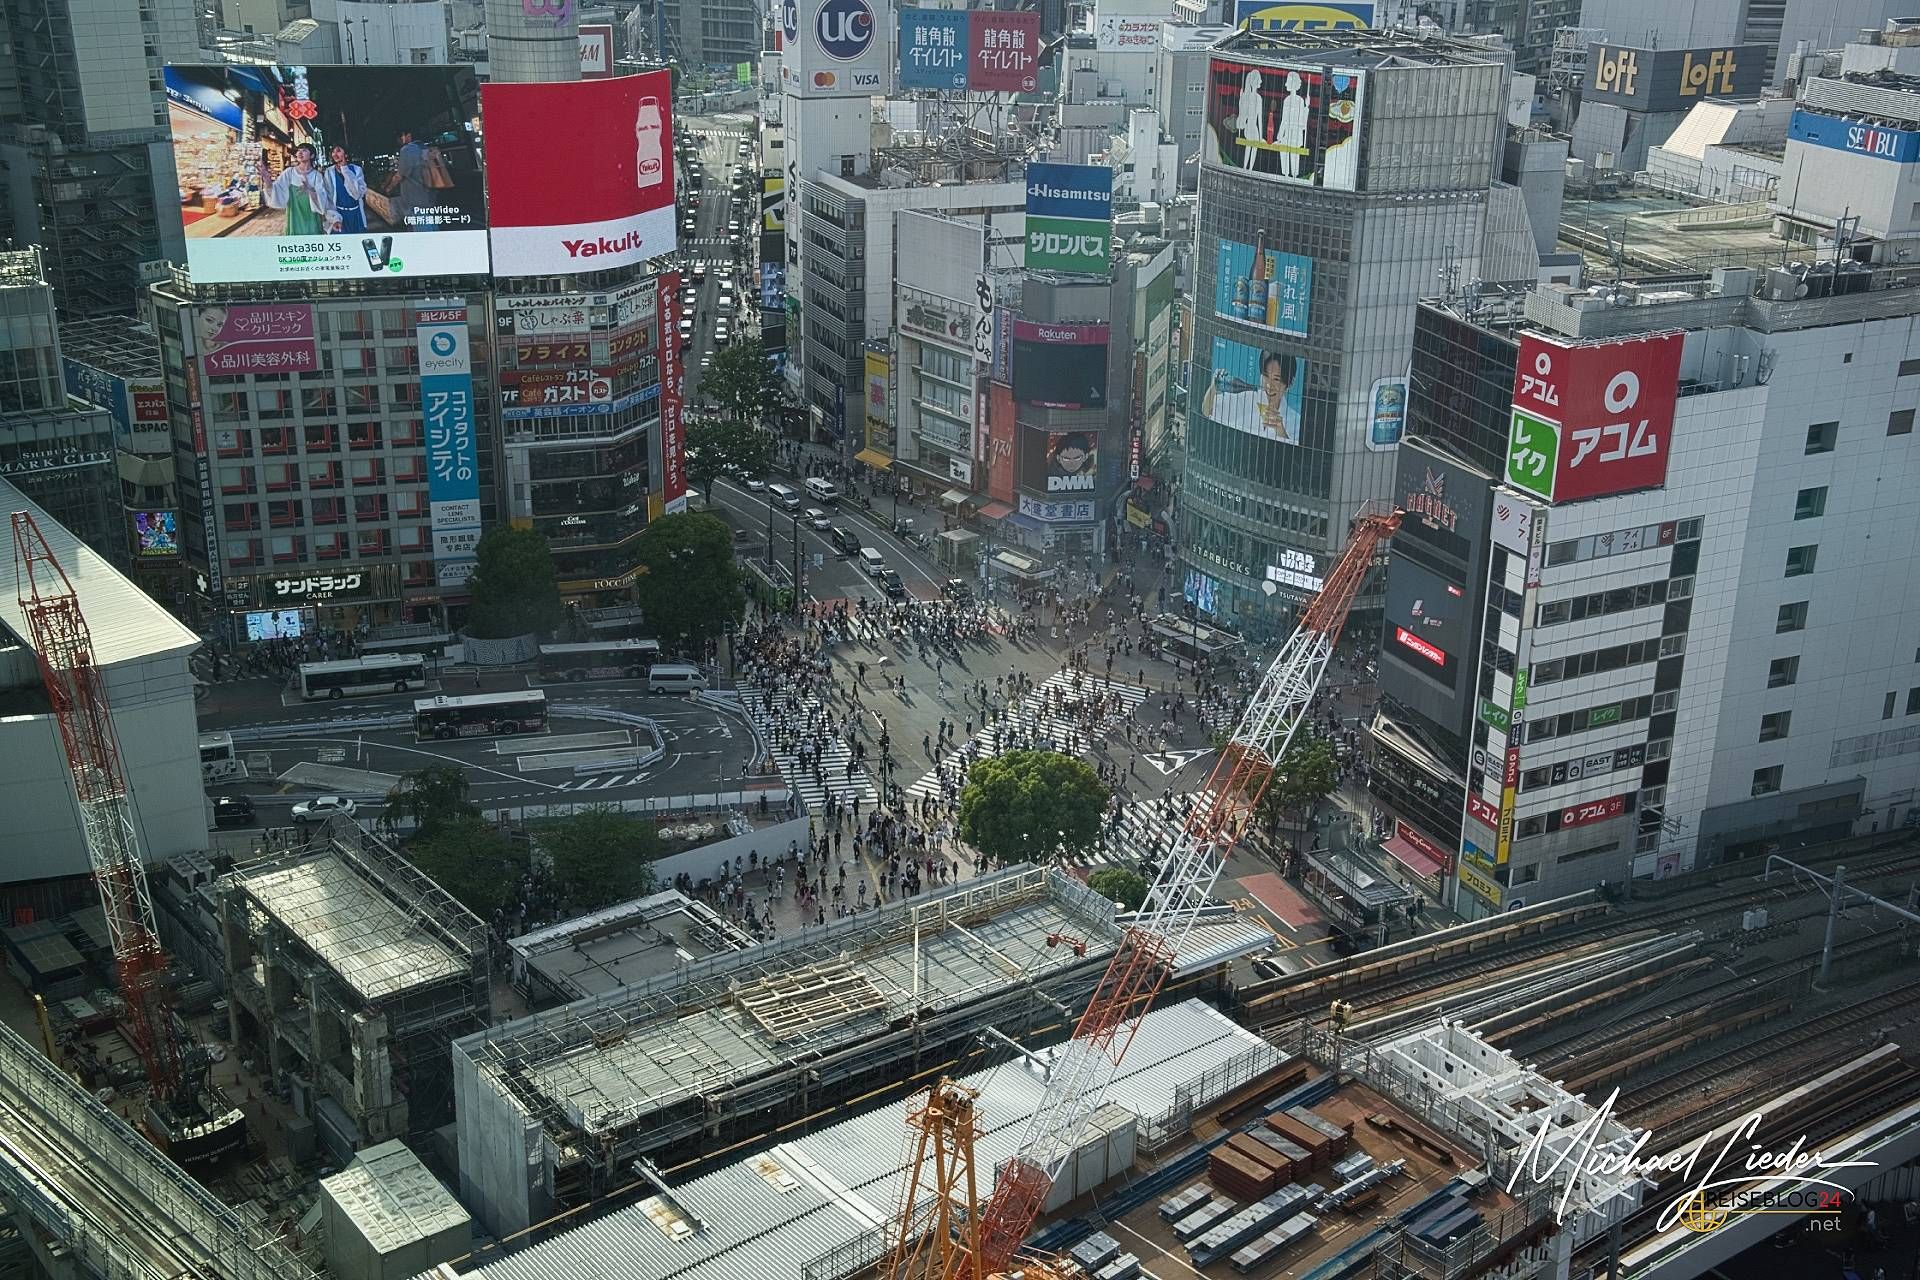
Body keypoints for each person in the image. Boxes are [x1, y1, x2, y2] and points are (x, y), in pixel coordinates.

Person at [1205, 350, 1301, 443]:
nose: (1269, 385)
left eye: (1276, 379)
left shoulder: (1296, 420)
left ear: (1290, 383)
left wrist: (1280, 431)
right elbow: (1206, 411)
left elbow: (1294, 452)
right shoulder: (1246, 399)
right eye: (1266, 376)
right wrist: (1213, 388)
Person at [258, 144, 337, 235]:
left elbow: (323, 200)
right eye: (298, 150)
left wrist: (309, 191)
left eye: (304, 150)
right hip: (294, 217)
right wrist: (267, 180)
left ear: (312, 155)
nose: (300, 153)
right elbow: (276, 191)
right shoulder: (289, 173)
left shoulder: (317, 176)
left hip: (312, 218)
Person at [391, 127, 436, 231]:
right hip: (429, 194)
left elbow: (401, 174)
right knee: (431, 224)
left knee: (422, 227)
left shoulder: (407, 149)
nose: (400, 139)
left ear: (408, 135)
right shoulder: (424, 147)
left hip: (415, 197)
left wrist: (390, 186)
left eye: (402, 136)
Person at [326, 145, 368, 234]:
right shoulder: (329, 172)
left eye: (338, 151)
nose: (335, 154)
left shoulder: (356, 170)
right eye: (333, 152)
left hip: (356, 215)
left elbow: (357, 195)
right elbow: (328, 197)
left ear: (346, 154)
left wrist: (345, 169)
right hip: (338, 215)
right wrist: (334, 219)